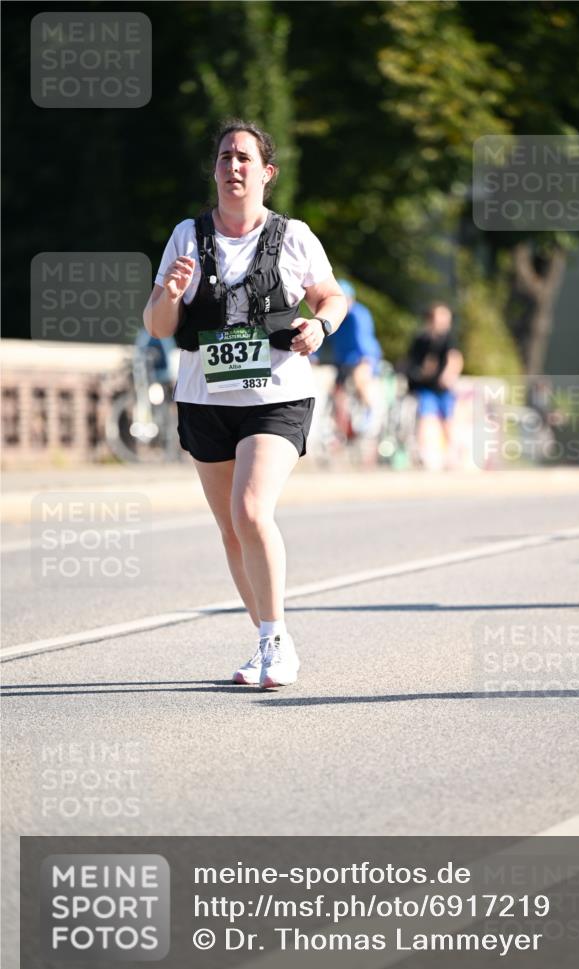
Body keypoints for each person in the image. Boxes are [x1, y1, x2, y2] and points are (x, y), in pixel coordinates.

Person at [143, 119, 346, 688]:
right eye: (226, 157)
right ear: (214, 169)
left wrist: (320, 326)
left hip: (277, 395)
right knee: (231, 528)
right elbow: (159, 326)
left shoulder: (294, 236)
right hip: (205, 400)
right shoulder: (187, 236)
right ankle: (266, 639)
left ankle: (277, 640)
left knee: (251, 510)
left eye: (245, 158)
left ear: (266, 173)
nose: (234, 167)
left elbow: (332, 295)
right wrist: (169, 291)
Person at [405, 303, 464, 470]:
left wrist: (448, 375)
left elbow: (455, 359)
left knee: (448, 421)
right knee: (425, 418)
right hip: (426, 387)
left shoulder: (448, 339)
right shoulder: (421, 340)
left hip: (443, 389)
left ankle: (452, 456)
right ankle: (424, 454)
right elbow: (412, 361)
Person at [328, 279, 383, 435]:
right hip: (343, 359)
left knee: (360, 379)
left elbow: (363, 338)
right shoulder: (336, 316)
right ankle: (342, 426)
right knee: (337, 392)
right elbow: (326, 338)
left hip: (363, 356)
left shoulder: (358, 314)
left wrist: (365, 359)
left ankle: (371, 413)